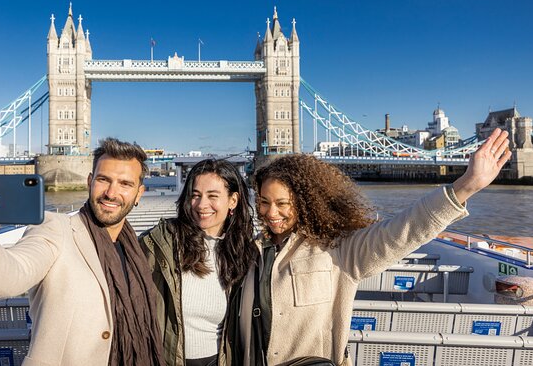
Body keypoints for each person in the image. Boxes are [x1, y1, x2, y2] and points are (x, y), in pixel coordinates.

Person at [238, 128, 512, 366]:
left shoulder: (338, 250)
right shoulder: (250, 251)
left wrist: (466, 186)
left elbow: (402, 231)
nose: (271, 212)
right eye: (263, 201)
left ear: (305, 202)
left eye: (282, 203)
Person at [0, 138, 165, 366]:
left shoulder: (135, 248)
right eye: (104, 180)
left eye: (125, 184)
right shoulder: (56, 228)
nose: (111, 193)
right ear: (89, 181)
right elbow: (10, 275)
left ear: (139, 194)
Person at [140, 159, 258, 366]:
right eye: (195, 195)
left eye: (213, 196)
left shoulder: (244, 253)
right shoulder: (158, 243)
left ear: (233, 200)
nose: (202, 205)